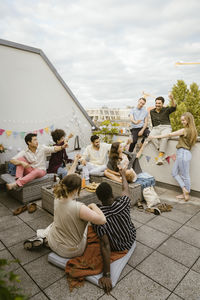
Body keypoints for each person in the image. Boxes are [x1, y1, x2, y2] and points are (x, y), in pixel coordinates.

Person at [24, 155, 106, 257]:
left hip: (54, 243)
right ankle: (45, 240)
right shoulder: (80, 207)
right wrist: (94, 206)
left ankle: (44, 239)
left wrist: (75, 161)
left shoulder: (57, 197)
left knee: (54, 224)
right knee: (87, 226)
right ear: (77, 190)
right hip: (71, 251)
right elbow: (102, 220)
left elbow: (67, 177)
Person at [92, 167, 136, 294]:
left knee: (94, 232)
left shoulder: (99, 218)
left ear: (99, 199)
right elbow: (125, 189)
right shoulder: (124, 202)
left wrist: (107, 274)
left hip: (117, 247)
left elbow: (105, 245)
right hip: (131, 238)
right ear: (112, 194)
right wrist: (122, 174)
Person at [149, 112, 197, 201]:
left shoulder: (185, 130)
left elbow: (170, 134)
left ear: (188, 120)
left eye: (183, 120)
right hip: (185, 153)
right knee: (175, 173)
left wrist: (155, 136)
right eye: (181, 120)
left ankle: (186, 193)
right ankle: (184, 190)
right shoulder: (194, 131)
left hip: (183, 153)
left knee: (185, 175)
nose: (182, 122)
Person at [149, 93, 176, 165]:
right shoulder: (151, 111)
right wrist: (153, 130)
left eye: (159, 103)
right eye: (156, 103)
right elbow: (152, 122)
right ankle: (161, 151)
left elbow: (174, 107)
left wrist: (172, 99)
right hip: (156, 128)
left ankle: (160, 157)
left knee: (164, 137)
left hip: (166, 127)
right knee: (150, 136)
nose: (157, 105)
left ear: (162, 104)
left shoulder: (166, 109)